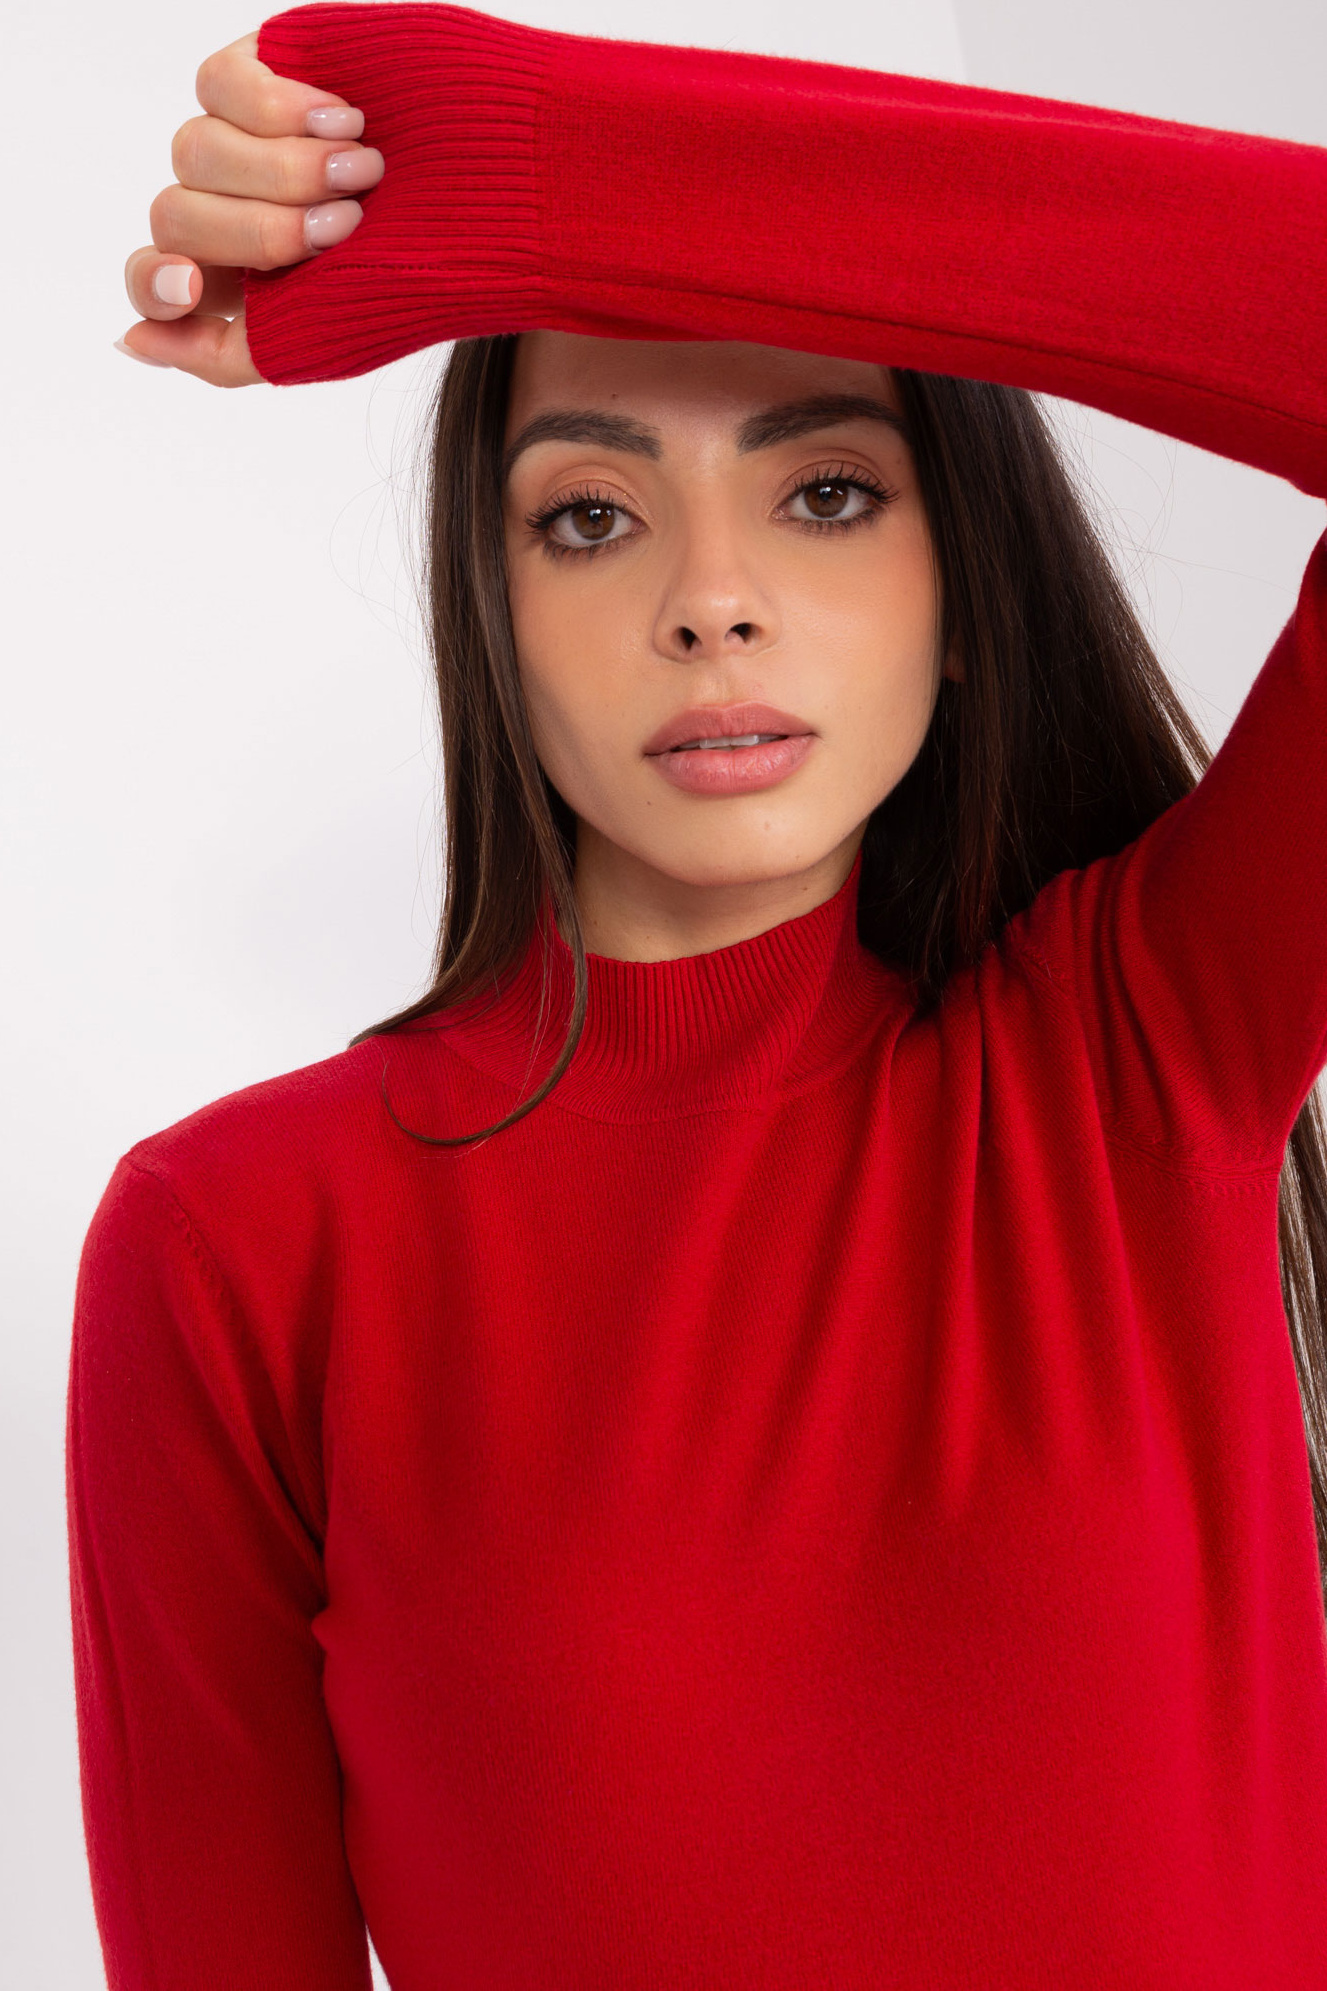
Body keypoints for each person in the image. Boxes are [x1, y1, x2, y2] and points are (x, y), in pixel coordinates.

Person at [71, 5, 1327, 1986]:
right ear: (492, 620)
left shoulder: (1141, 1052)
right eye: (588, 515)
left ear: (963, 597)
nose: (710, 601)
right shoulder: (239, 1248)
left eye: (827, 492)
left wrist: (525, 166)